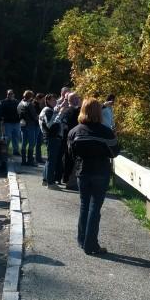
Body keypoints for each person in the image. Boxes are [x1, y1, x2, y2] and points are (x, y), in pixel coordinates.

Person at [68, 97, 120, 255]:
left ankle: (82, 240)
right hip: (100, 172)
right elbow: (115, 152)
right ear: (99, 112)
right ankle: (91, 245)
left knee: (84, 205)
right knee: (95, 208)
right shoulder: (106, 132)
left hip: (83, 171)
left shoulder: (74, 131)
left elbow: (71, 153)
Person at [39, 93, 62, 189]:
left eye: (55, 100)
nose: (55, 102)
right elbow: (49, 124)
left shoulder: (48, 110)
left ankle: (45, 180)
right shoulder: (48, 110)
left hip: (50, 137)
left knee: (50, 160)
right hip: (51, 137)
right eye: (53, 100)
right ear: (48, 101)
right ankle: (51, 183)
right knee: (52, 160)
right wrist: (58, 114)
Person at [60, 92, 81, 189]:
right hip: (72, 138)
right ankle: (69, 179)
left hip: (67, 137)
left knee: (67, 158)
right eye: (77, 98)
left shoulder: (66, 110)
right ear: (72, 100)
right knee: (70, 159)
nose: (78, 100)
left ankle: (65, 177)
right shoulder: (74, 111)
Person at [17, 90, 39, 166]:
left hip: (22, 125)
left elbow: (18, 114)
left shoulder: (19, 104)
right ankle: (30, 161)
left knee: (24, 143)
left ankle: (23, 161)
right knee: (31, 143)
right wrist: (39, 117)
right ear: (30, 97)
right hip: (30, 125)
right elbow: (34, 116)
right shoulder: (29, 104)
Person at [0, 89, 20, 155]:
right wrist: (0, 120)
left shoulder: (17, 102)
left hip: (16, 123)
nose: (10, 95)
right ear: (7, 94)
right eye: (8, 94)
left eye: (11, 93)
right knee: (7, 137)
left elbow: (20, 111)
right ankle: (5, 151)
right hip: (7, 123)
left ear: (13, 94)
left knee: (16, 137)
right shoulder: (3, 102)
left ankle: (15, 151)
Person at [33, 93, 46, 164]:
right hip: (36, 125)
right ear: (39, 99)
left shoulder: (40, 104)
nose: (44, 100)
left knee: (39, 142)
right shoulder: (35, 105)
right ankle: (37, 158)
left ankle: (38, 157)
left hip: (39, 125)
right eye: (43, 98)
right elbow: (36, 115)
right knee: (37, 142)